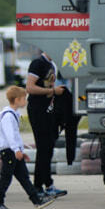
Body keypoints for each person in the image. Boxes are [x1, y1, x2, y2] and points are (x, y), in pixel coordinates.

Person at [0, 86, 57, 209]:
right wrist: (16, 150)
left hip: (15, 152)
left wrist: (20, 151)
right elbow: (10, 135)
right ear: (16, 100)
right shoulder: (8, 117)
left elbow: (16, 136)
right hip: (9, 152)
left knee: (24, 178)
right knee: (6, 178)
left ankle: (36, 201)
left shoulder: (14, 115)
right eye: (24, 99)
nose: (26, 101)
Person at [25, 50, 67, 198]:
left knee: (48, 147)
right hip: (38, 109)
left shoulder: (51, 64)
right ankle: (38, 186)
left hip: (48, 109)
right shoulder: (38, 63)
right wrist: (52, 90)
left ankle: (47, 184)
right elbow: (29, 87)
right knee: (43, 147)